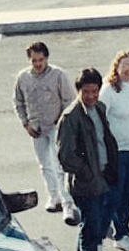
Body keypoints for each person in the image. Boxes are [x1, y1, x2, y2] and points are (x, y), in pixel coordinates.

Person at [57, 68, 120, 251]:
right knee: (91, 231)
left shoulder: (100, 109)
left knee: (90, 228)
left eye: (95, 91)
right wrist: (88, 172)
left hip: (103, 178)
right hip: (86, 184)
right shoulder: (71, 117)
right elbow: (65, 157)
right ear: (78, 91)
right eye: (86, 92)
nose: (91, 96)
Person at [13, 41, 79, 226]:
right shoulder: (23, 77)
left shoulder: (58, 75)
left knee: (60, 167)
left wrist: (61, 124)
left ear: (47, 58)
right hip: (36, 129)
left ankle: (68, 204)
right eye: (34, 60)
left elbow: (69, 100)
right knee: (44, 165)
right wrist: (25, 124)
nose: (38, 64)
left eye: (41, 59)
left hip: (57, 128)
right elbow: (18, 102)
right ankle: (54, 197)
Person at [98, 51, 129, 251]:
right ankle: (97, 241)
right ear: (116, 68)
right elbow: (98, 119)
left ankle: (121, 236)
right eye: (124, 65)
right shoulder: (109, 91)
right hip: (116, 154)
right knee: (112, 199)